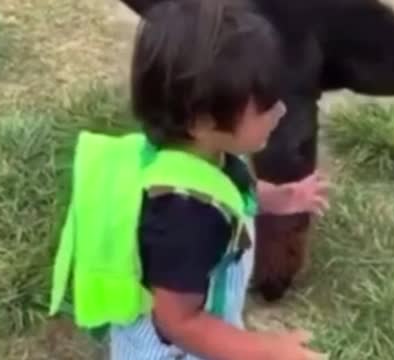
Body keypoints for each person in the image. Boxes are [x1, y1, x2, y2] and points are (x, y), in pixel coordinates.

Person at [48, 0, 328, 359]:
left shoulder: (193, 155)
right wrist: (267, 351)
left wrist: (279, 197)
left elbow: (228, 189)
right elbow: (179, 323)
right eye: (266, 106)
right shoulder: (186, 217)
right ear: (204, 120)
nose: (281, 112)